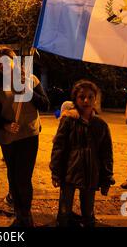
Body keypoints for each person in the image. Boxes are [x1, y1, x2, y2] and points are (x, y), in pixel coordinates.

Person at [0, 47, 50, 227]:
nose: (2, 65)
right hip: (8, 137)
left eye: (5, 61)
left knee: (23, 177)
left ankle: (25, 216)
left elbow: (45, 104)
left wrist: (29, 92)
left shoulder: (30, 80)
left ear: (13, 61)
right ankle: (18, 213)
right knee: (12, 176)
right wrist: (5, 124)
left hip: (28, 135)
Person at [50, 80, 114, 227]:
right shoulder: (68, 120)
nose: (86, 100)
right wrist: (55, 172)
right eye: (82, 97)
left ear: (95, 99)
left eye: (90, 97)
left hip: (91, 174)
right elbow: (58, 147)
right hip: (69, 172)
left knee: (88, 211)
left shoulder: (101, 125)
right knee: (64, 211)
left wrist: (107, 178)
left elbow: (107, 154)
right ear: (75, 99)